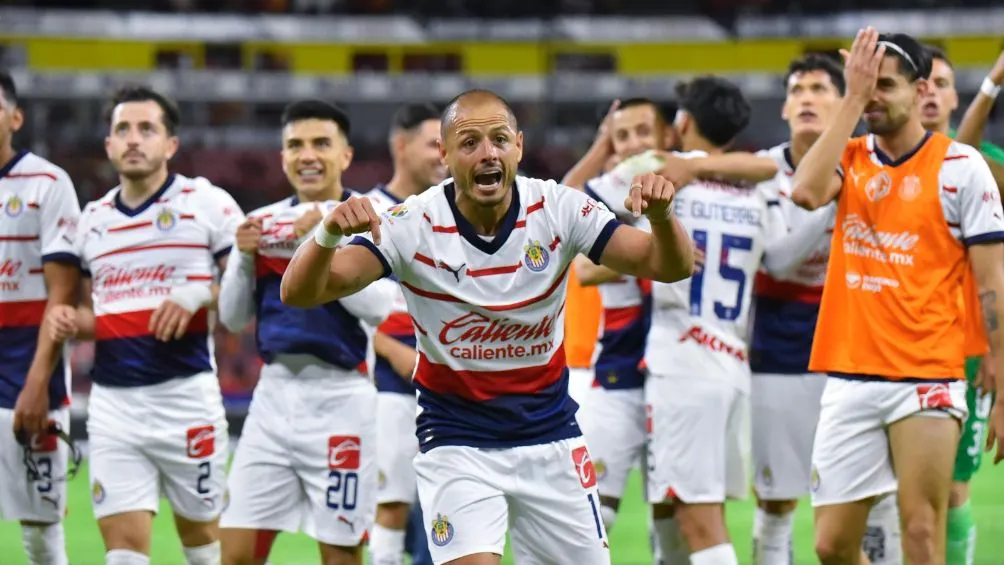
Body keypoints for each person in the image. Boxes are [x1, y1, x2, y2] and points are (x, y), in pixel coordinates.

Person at [280, 88, 694, 565]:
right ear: (446, 153)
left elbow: (669, 265)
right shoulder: (412, 223)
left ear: (517, 146)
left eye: (499, 139)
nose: (487, 153)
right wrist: (328, 234)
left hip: (551, 438)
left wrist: (662, 217)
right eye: (470, 142)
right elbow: (301, 292)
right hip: (458, 444)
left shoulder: (558, 208)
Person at [791, 29, 1004, 565]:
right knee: (832, 545)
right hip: (849, 377)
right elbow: (805, 191)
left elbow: (991, 285)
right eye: (865, 86)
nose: (873, 97)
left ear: (921, 88)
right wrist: (852, 100)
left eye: (884, 85)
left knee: (922, 535)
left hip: (928, 377)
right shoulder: (851, 156)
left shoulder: (961, 168)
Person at [561, 97, 776, 547]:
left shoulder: (678, 183)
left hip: (677, 371)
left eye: (643, 132)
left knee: (672, 521)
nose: (632, 143)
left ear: (668, 138)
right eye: (622, 136)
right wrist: (657, 253)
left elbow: (764, 167)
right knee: (588, 513)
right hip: (618, 376)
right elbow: (581, 262)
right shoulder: (614, 195)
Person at [46, 85, 245, 565]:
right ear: (109, 145)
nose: (134, 139)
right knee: (124, 555)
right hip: (115, 408)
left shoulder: (207, 203)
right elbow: (106, 316)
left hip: (187, 400)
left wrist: (199, 295)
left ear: (170, 144)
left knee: (203, 546)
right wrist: (72, 321)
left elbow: (248, 298)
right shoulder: (90, 222)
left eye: (146, 129)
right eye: (122, 130)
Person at [216, 99, 392, 565]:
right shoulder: (264, 221)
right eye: (295, 145)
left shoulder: (365, 219)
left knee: (339, 556)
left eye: (321, 143)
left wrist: (322, 242)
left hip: (342, 402)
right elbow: (233, 319)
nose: (307, 154)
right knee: (233, 554)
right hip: (272, 397)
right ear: (282, 157)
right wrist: (242, 257)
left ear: (345, 156)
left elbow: (379, 308)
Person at [918, 45, 1004, 565]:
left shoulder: (987, 165)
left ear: (955, 96)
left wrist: (993, 83)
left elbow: (960, 157)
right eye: (920, 80)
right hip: (893, 345)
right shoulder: (870, 158)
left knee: (952, 490)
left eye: (941, 82)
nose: (929, 89)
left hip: (966, 349)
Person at [0, 69, 80, 565]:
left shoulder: (48, 183)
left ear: (15, 116)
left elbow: (63, 292)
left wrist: (36, 381)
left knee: (40, 528)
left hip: (22, 369)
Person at [363, 102, 445, 565]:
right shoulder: (366, 211)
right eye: (432, 143)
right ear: (400, 145)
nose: (442, 155)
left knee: (449, 511)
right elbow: (336, 303)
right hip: (388, 385)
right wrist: (392, 350)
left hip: (449, 385)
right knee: (390, 504)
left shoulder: (453, 209)